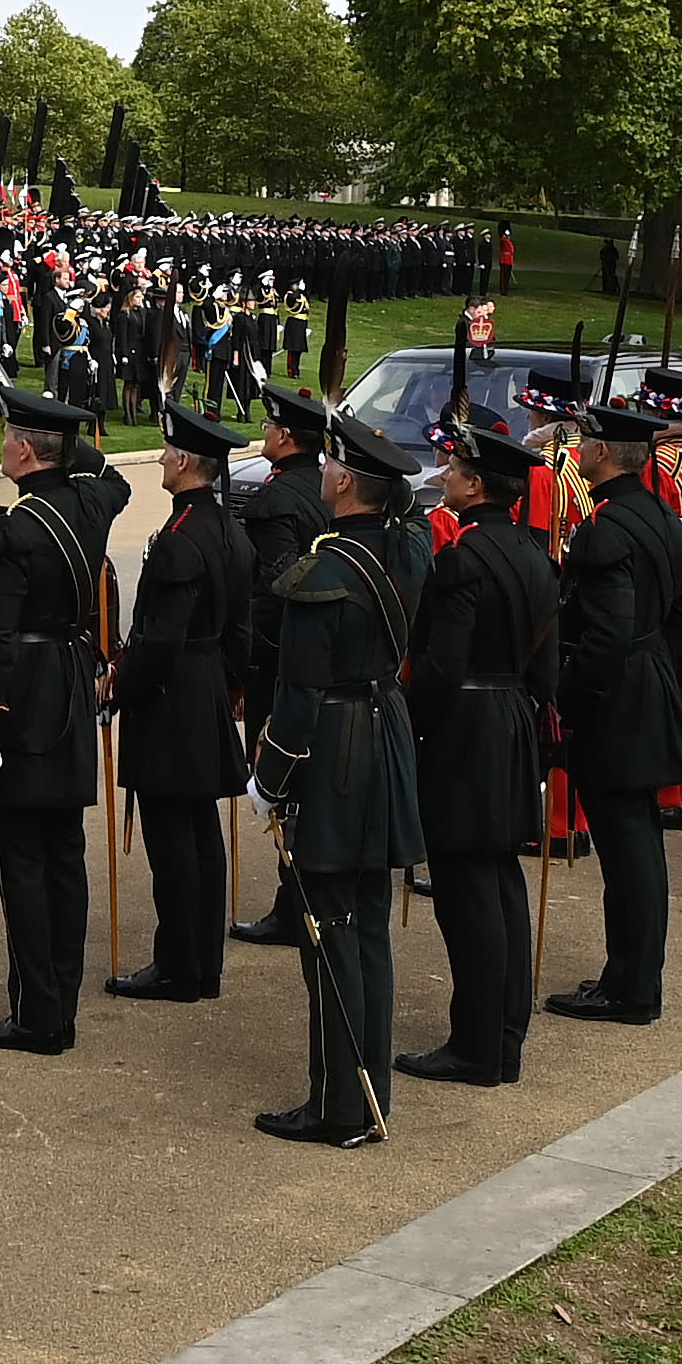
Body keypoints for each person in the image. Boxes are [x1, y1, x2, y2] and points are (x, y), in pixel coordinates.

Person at [249, 413, 428, 1146]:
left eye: (329, 465)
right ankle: (364, 1092)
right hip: (384, 732)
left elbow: (297, 695)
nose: (321, 472)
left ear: (347, 480)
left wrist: (270, 776)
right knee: (368, 927)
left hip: (337, 752)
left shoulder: (322, 573)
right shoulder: (406, 549)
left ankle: (339, 1107)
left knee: (328, 933)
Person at [0, 379, 128, 1057]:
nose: (1, 444)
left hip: (24, 694)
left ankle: (38, 1016)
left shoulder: (15, 534)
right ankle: (59, 996)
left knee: (23, 857)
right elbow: (107, 475)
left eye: (9, 437)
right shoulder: (92, 503)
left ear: (26, 450)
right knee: (63, 854)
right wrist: (68, 440)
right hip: (68, 684)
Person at [403, 409, 556, 1086]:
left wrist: (409, 723)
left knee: (466, 890)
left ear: (473, 484)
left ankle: (475, 1043)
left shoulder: (461, 559)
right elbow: (546, 667)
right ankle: (503, 1036)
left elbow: (439, 664)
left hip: (467, 723)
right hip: (513, 715)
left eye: (455, 472)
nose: (446, 479)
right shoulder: (533, 552)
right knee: (499, 883)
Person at [549, 385, 682, 1017]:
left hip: (619, 694)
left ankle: (632, 987)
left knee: (627, 845)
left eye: (585, 440)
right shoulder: (660, 515)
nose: (578, 448)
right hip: (651, 679)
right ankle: (629, 975)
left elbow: (604, 632)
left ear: (604, 450)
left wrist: (571, 697)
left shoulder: (606, 529)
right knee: (636, 843)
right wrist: (674, 682)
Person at [104, 394, 249, 1005]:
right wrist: (231, 684)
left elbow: (161, 640)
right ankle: (202, 963)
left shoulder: (179, 540)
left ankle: (179, 967)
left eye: (168, 450)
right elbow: (240, 628)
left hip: (174, 697)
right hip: (209, 683)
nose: (161, 458)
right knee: (200, 833)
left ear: (188, 463)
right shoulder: (230, 531)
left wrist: (122, 683)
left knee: (173, 837)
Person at [221, 384, 330, 950]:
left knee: (283, 783)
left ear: (285, 436)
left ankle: (295, 906)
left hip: (283, 660)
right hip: (322, 656)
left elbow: (271, 590)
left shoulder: (273, 502)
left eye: (268, 426)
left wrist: (248, 661)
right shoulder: (324, 487)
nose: (264, 433)